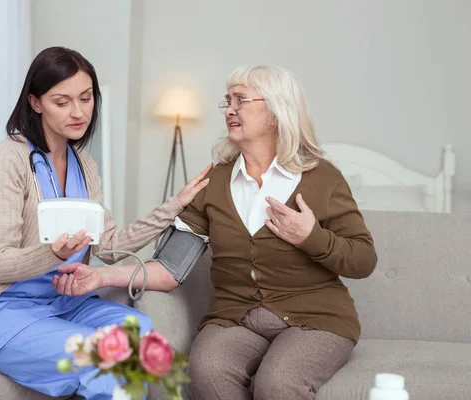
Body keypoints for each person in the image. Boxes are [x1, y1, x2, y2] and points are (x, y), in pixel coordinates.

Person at [58, 65, 377, 399]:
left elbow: (364, 260)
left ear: (275, 109)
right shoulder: (214, 183)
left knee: (277, 383)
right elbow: (170, 269)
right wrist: (100, 277)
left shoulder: (322, 177)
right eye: (227, 101)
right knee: (207, 371)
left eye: (240, 100)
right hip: (235, 318)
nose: (230, 109)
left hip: (316, 319)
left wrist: (311, 236)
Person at [0, 46, 211, 399]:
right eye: (61, 102)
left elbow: (110, 248)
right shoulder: (6, 160)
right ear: (36, 103)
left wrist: (175, 205)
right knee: (102, 359)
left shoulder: (84, 164)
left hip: (61, 304)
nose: (78, 112)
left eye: (85, 98)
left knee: (137, 331)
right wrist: (52, 253)